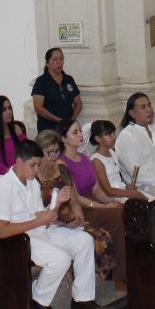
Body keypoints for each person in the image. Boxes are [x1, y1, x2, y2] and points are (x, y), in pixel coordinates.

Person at [0, 139, 97, 309]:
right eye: (33, 165)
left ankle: (82, 299)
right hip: (19, 239)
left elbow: (41, 216)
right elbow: (2, 231)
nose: (37, 170)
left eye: (38, 165)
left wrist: (56, 205)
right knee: (60, 259)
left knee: (84, 240)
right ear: (19, 162)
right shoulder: (3, 187)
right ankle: (38, 300)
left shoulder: (32, 183)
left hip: (40, 231)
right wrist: (40, 221)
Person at [53, 120, 125, 282]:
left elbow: (96, 189)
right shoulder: (62, 162)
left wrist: (110, 202)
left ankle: (121, 268)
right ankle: (120, 275)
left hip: (93, 202)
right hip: (79, 208)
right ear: (63, 139)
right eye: (75, 132)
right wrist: (103, 207)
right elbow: (76, 197)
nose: (80, 135)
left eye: (80, 130)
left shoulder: (85, 158)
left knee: (121, 208)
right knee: (117, 214)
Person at [86, 119, 144, 204]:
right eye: (108, 134)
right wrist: (130, 194)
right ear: (98, 139)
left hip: (122, 191)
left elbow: (117, 179)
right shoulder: (96, 160)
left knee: (150, 199)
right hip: (112, 198)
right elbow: (108, 190)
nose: (113, 137)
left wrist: (127, 186)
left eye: (113, 133)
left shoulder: (112, 152)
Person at [30, 48, 82, 133]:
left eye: (61, 59)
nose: (59, 62)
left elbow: (78, 103)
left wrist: (71, 120)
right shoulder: (41, 81)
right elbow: (38, 108)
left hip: (67, 128)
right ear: (47, 63)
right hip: (48, 129)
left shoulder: (69, 79)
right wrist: (58, 120)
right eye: (55, 59)